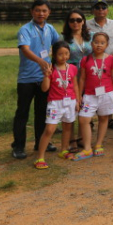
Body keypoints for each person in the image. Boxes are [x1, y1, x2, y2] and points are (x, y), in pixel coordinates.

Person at [12, 0, 60, 160]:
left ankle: (41, 142)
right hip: (27, 78)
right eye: (38, 10)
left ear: (49, 13)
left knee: (42, 112)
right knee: (22, 113)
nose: (41, 13)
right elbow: (25, 50)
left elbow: (59, 45)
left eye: (44, 11)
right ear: (32, 12)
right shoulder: (25, 29)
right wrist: (41, 61)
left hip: (44, 78)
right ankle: (18, 146)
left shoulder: (50, 28)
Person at [72, 32, 113, 161]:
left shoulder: (110, 59)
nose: (99, 45)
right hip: (89, 95)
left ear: (107, 45)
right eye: (96, 42)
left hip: (107, 93)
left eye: (102, 43)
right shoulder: (85, 59)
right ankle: (87, 148)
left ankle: (98, 144)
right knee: (83, 119)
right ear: (91, 43)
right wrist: (79, 96)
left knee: (103, 118)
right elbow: (82, 79)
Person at [34, 41, 80, 169]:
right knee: (49, 130)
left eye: (66, 53)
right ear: (54, 55)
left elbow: (74, 85)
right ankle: (40, 157)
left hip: (70, 101)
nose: (64, 56)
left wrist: (77, 100)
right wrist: (46, 76)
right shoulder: (51, 69)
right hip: (55, 103)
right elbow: (44, 89)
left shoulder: (72, 68)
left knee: (67, 126)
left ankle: (64, 150)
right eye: (60, 54)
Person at [85, 0, 113, 130]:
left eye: (103, 7)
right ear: (93, 10)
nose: (101, 10)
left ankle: (109, 118)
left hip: (108, 61)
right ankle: (89, 120)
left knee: (109, 87)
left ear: (107, 10)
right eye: (98, 7)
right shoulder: (86, 24)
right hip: (92, 61)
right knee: (90, 87)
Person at [61, 8, 92, 152]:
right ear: (68, 23)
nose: (75, 23)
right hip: (71, 76)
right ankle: (71, 139)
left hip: (88, 75)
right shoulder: (63, 39)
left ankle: (81, 136)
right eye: (72, 20)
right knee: (72, 106)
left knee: (85, 105)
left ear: (83, 21)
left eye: (78, 20)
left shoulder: (90, 37)